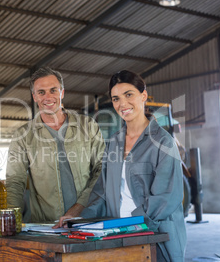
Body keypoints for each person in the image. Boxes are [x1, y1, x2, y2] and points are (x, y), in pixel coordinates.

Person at [55, 70, 187, 261]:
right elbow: (101, 193)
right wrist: (79, 220)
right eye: (116, 98)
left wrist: (130, 225)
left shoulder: (163, 143)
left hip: (152, 237)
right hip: (117, 237)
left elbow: (165, 198)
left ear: (143, 95)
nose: (122, 104)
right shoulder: (114, 142)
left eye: (128, 95)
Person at [5, 67, 106, 222]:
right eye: (41, 92)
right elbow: (15, 181)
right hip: (47, 225)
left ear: (62, 92)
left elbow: (102, 169)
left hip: (89, 219)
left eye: (53, 90)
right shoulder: (23, 136)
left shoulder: (88, 126)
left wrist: (79, 207)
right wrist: (11, 220)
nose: (48, 97)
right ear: (35, 97)